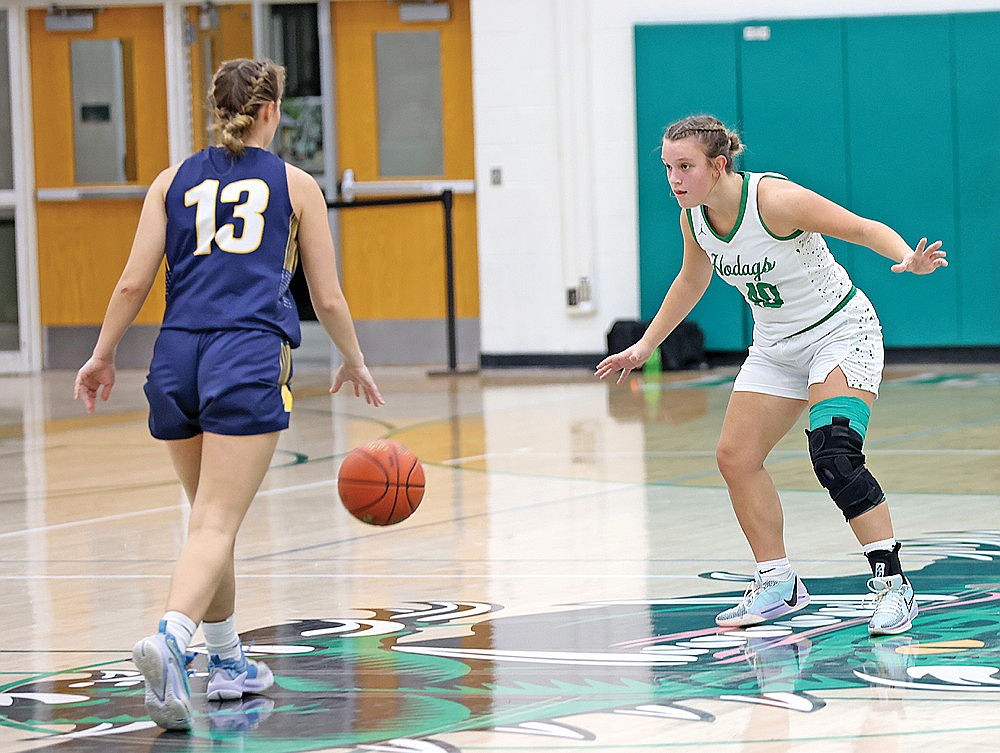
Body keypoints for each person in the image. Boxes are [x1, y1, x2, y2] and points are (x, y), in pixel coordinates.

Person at [74, 58, 383, 730]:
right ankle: (171, 639)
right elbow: (325, 296)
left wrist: (101, 354)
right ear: (272, 111)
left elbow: (132, 283)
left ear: (215, 110)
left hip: (175, 355)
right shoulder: (297, 185)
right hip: (245, 352)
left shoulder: (169, 181)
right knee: (215, 520)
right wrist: (355, 359)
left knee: (209, 520)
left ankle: (228, 661)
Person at [596, 114, 947, 638]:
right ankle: (778, 580)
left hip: (840, 332)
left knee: (834, 452)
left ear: (719, 165)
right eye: (668, 168)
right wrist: (646, 344)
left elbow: (861, 227)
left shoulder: (774, 201)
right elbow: (693, 279)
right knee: (735, 458)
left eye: (685, 167)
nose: (674, 179)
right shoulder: (694, 216)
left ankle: (893, 584)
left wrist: (906, 259)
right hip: (776, 347)